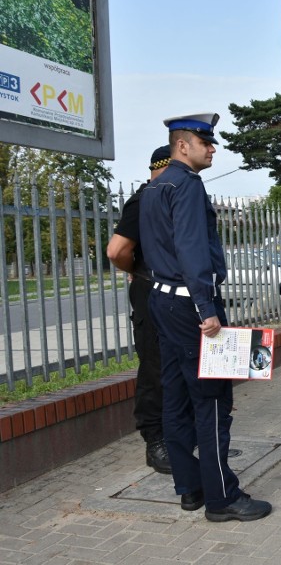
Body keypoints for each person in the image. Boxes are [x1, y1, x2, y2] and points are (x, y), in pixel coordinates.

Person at [139, 113, 271, 522]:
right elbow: (192, 251)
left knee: (176, 398)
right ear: (183, 145)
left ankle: (191, 487)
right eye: (206, 142)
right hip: (192, 306)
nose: (213, 149)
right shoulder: (188, 186)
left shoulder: (154, 186)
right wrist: (207, 310)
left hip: (161, 299)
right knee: (213, 400)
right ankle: (222, 497)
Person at [106, 145, 173, 475]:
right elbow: (117, 250)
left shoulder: (169, 198)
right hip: (150, 291)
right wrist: (137, 268)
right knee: (155, 365)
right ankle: (155, 440)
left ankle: (175, 434)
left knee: (174, 365)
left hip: (174, 293)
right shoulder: (144, 199)